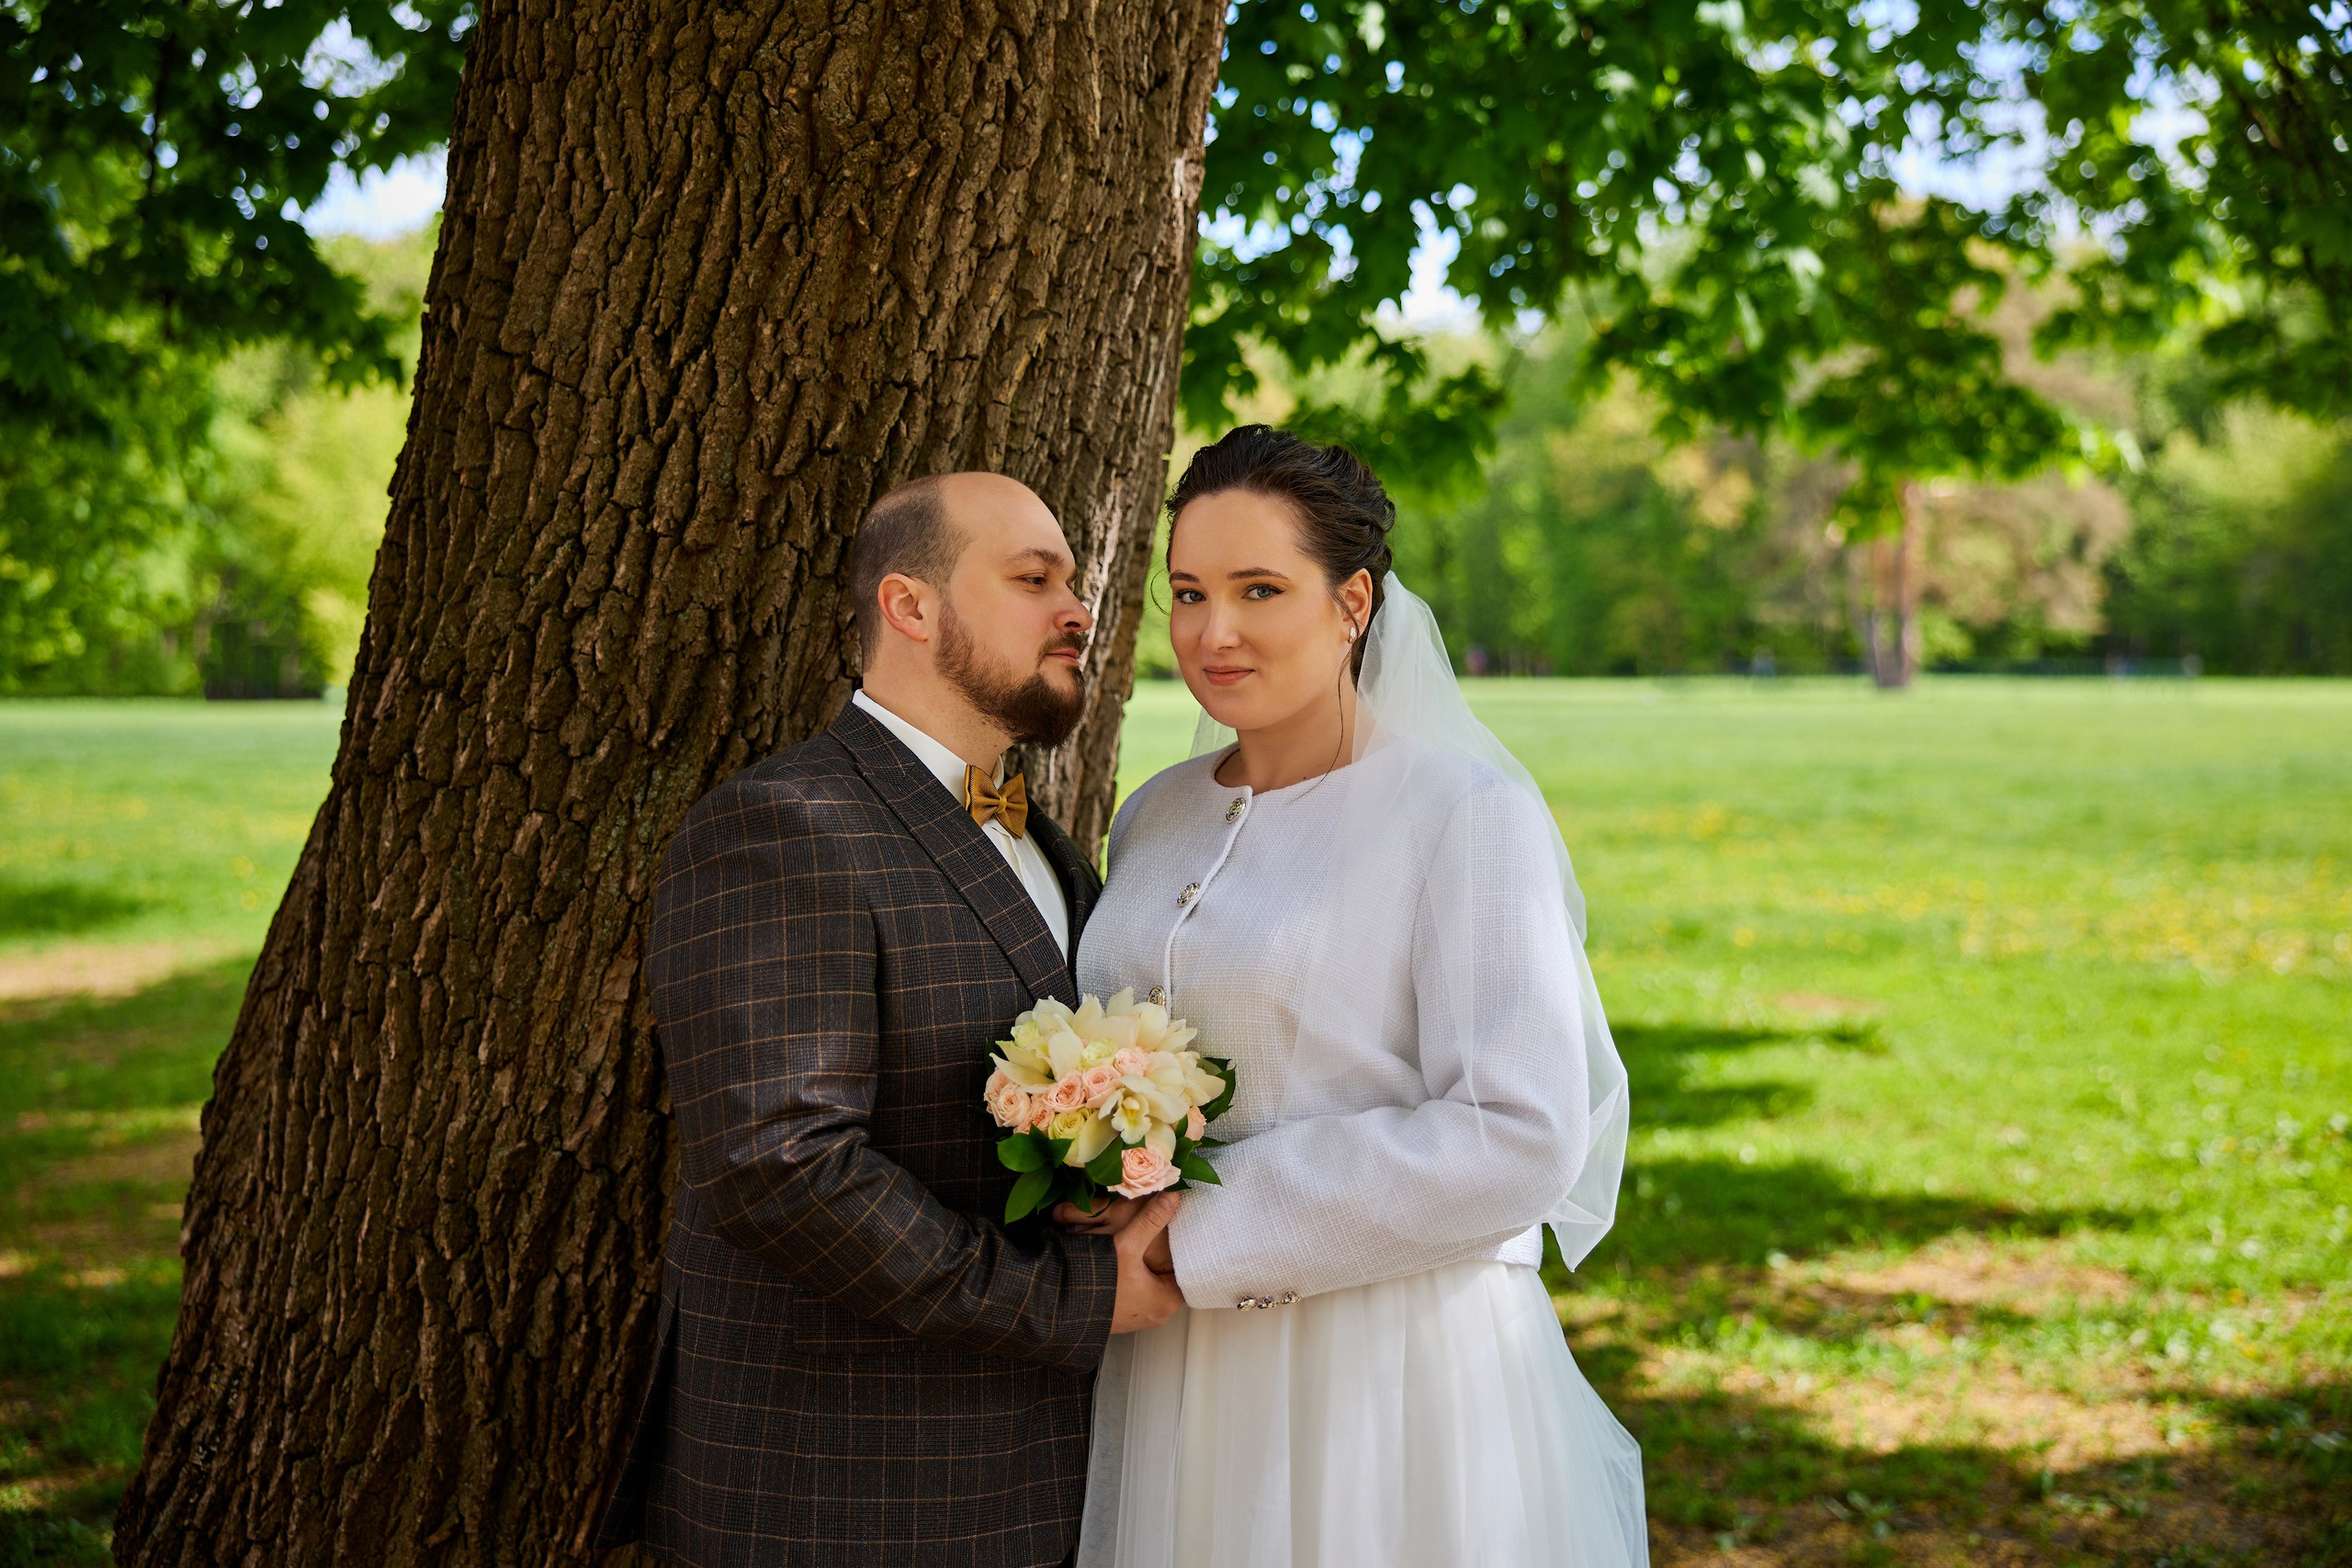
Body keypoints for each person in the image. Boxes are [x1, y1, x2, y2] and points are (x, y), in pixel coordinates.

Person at [1060, 427, 1647, 1567]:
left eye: (1258, 590)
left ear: (1353, 603)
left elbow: (1525, 1133)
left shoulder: (1460, 814)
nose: (1210, 633)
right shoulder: (1157, 810)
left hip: (1380, 1371)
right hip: (1168, 1364)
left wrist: (1198, 1234)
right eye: (1186, 593)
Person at [599, 472, 1184, 1567]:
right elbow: (783, 1167)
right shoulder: (781, 828)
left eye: (1073, 580)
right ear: (908, 607)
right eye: (1032, 579)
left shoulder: (1053, 849)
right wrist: (1068, 1298)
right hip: (839, 1490)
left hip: (1034, 1478)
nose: (1079, 609)